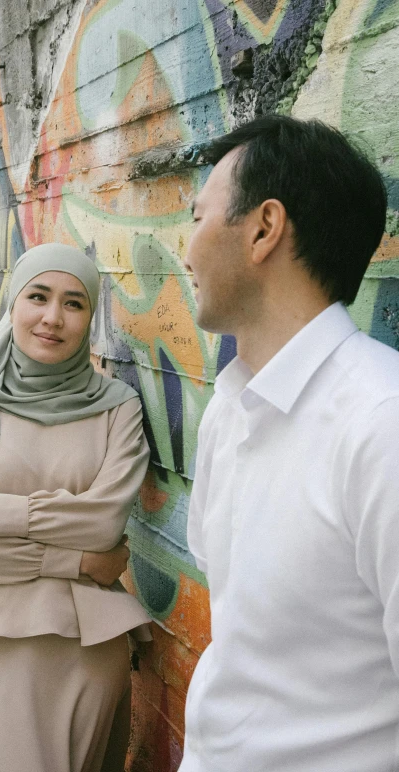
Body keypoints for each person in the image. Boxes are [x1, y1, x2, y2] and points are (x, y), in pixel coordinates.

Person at [179, 115, 399, 772]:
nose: (184, 248)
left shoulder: (380, 423)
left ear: (263, 229)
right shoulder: (229, 406)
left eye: (198, 217)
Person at [0, 243, 152, 772]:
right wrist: (78, 564)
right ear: (14, 305)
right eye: (38, 297)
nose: (53, 318)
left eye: (74, 304)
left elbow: (103, 521)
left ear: (91, 318)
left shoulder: (118, 409)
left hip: (84, 650)